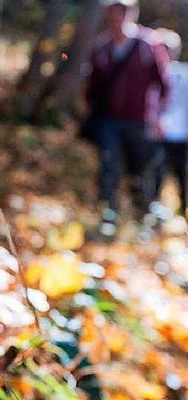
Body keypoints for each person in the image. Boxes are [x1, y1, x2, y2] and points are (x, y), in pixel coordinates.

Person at [85, 0, 169, 237]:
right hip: (108, 119)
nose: (115, 21)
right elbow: (93, 84)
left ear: (130, 15)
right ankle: (108, 215)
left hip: (139, 119)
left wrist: (158, 116)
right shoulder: (102, 47)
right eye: (111, 16)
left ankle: (141, 214)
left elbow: (163, 83)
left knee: (139, 168)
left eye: (119, 15)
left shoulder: (148, 44)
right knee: (108, 164)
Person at [155, 29, 188, 217]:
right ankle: (154, 212)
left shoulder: (183, 72)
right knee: (155, 177)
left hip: (180, 134)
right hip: (157, 133)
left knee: (181, 177)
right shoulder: (149, 71)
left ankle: (183, 213)